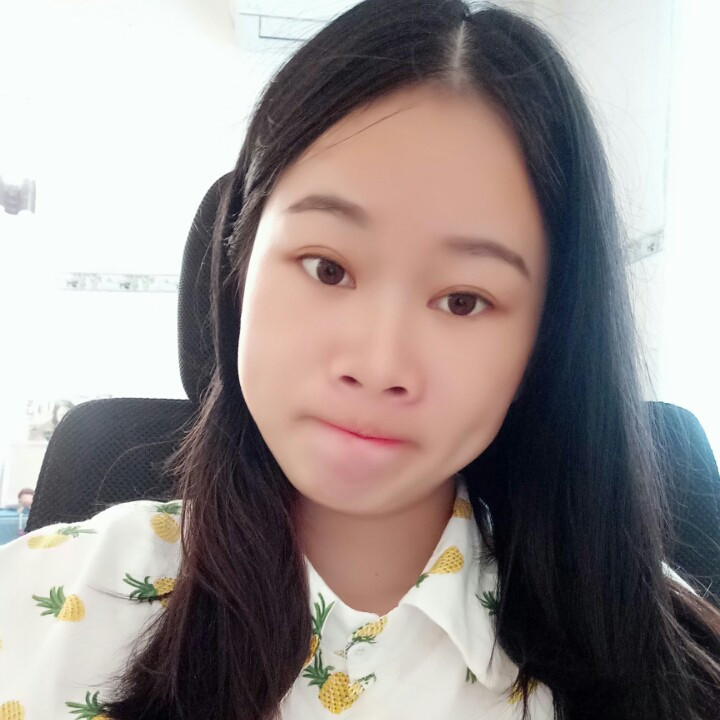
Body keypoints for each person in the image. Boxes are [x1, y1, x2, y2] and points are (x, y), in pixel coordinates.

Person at [1, 1, 719, 718]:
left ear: (544, 342)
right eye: (328, 268)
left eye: (463, 300)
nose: (378, 365)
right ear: (238, 268)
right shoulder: (36, 607)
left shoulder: (668, 663)